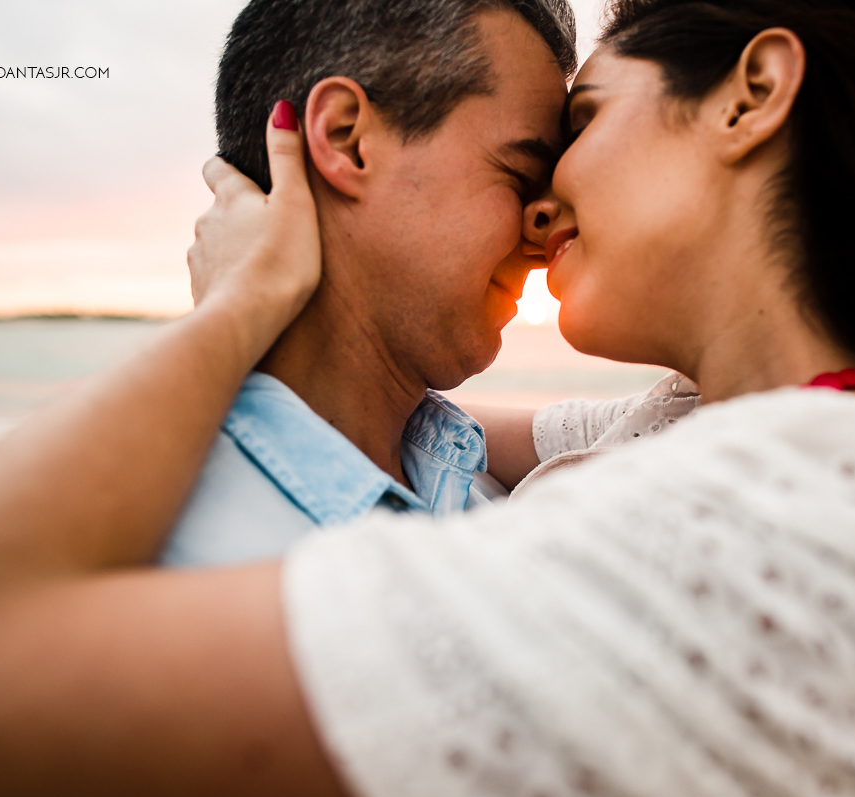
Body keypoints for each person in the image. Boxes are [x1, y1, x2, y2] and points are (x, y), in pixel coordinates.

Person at [0, 1, 855, 797]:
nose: (545, 209)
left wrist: (238, 303)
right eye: (530, 162)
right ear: (343, 141)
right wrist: (244, 321)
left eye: (577, 132)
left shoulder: (755, 530)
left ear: (753, 96)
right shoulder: (721, 441)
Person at [162, 0, 577, 567]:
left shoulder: (489, 488)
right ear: (345, 138)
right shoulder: (177, 563)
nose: (544, 232)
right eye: (523, 175)